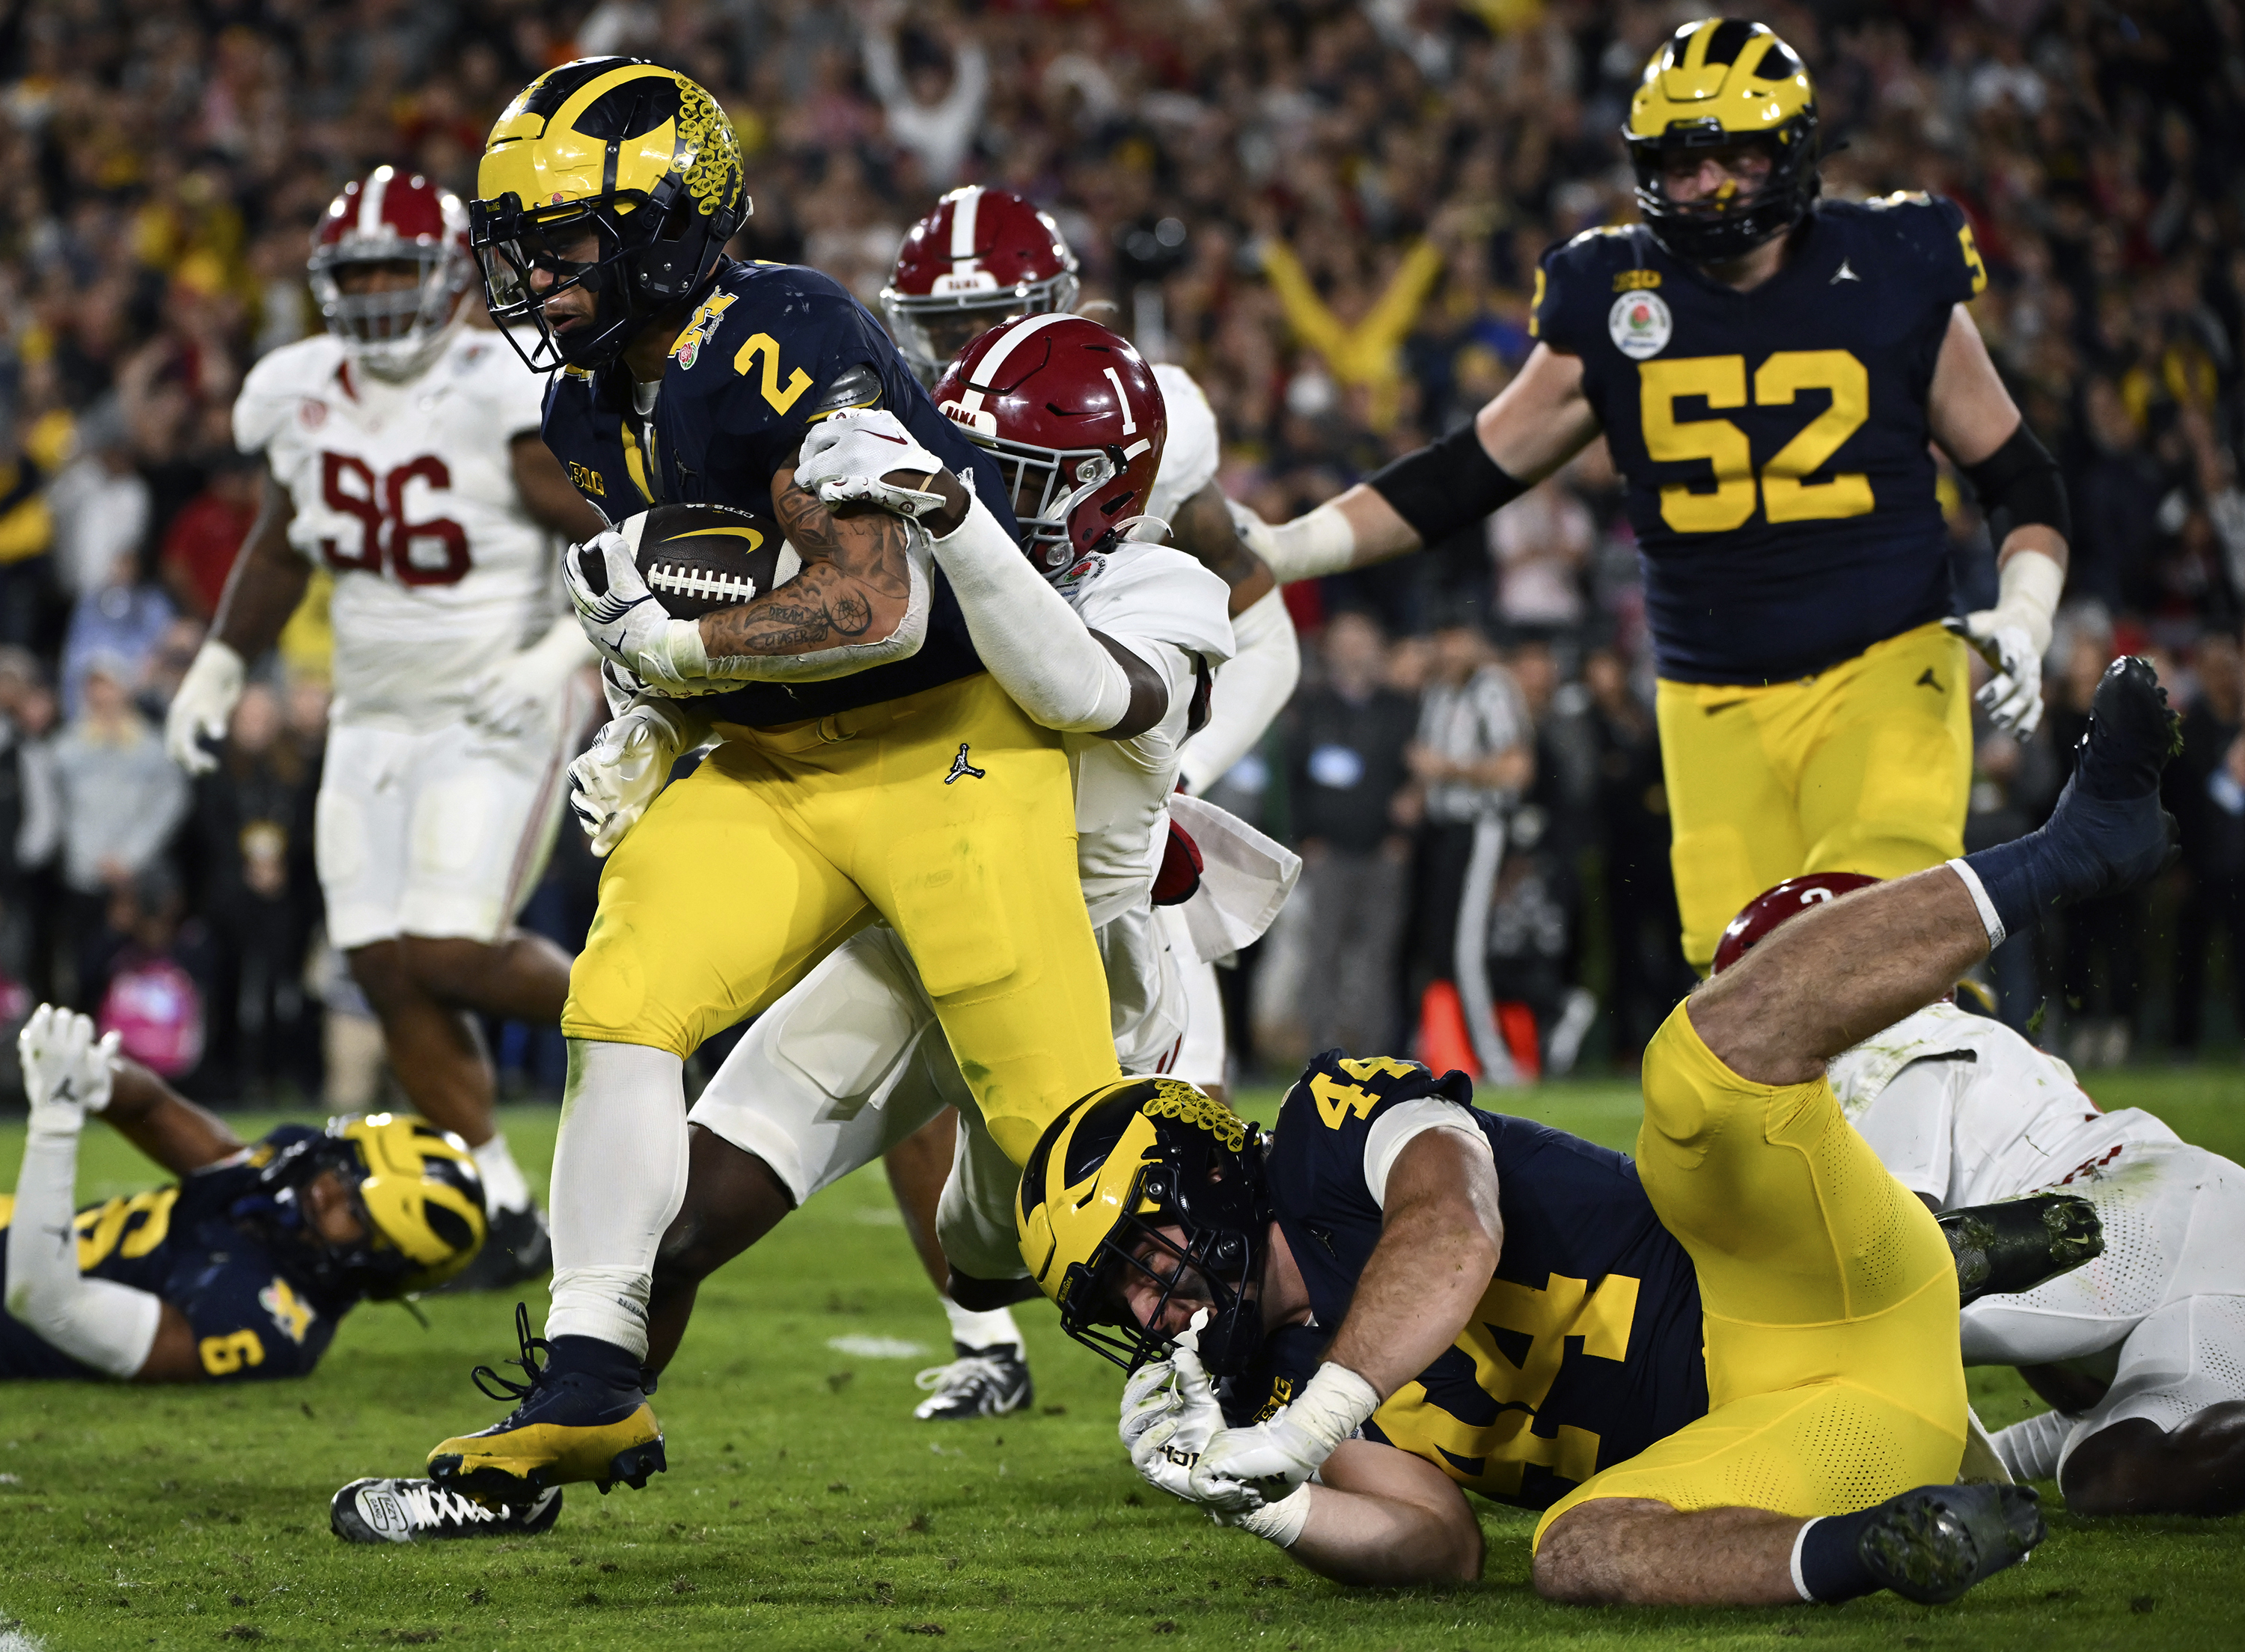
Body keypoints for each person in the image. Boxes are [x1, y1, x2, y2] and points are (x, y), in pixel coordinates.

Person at [1017, 655, 2181, 1605]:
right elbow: (1437, 1543)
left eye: (1139, 1262)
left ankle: (2072, 854)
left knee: (1692, 1071)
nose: (1141, 1312)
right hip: (1819, 1438)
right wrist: (1270, 1497)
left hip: (1775, 1285)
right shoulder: (1257, 1385)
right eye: (1108, 1308)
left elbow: (1454, 1226)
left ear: (1208, 1182)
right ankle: (1885, 1543)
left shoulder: (1329, 1132)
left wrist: (1316, 1417)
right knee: (1572, 1551)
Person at [424, 58, 1120, 1502]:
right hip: (779, 763)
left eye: (565, 242)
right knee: (621, 989)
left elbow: (880, 606)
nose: (535, 277)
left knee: (1068, 1151)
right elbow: (694, 612)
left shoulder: (782, 330)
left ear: (670, 222)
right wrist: (655, 714)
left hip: (953, 749)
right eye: (523, 246)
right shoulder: (584, 412)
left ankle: (1282, 1365)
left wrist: (676, 653)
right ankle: (593, 1378)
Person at [1236, 19, 2073, 973]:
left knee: (1873, 950)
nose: (1710, 186)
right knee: (1740, 985)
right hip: (1708, 694)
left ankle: (1992, 1105)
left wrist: (2029, 611)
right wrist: (1291, 548)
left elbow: (2017, 473)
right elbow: (1464, 473)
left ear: (1791, 155)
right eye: (1682, 164)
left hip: (1884, 665)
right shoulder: (1615, 291)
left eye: (1737, 159)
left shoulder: (1889, 263)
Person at [567, 316, 1250, 1438]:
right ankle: (567, 1433)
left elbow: (1074, 686)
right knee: (676, 1226)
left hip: (1070, 970)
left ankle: (1307, 1403)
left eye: (1018, 477)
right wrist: (655, 713)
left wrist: (957, 509)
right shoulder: (928, 535)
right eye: (965, 454)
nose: (988, 486)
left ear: (1101, 490)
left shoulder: (1164, 587)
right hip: (897, 944)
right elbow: (811, 660)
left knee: (1034, 1257)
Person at [870, 186, 1300, 1416]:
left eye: (994, 321)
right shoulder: (879, 426)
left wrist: (1185, 773)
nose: (961, 356)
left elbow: (1258, 619)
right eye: (940, 326)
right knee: (914, 1055)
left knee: (1181, 1102)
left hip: (1112, 810)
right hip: (950, 793)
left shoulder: (1136, 410)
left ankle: (1231, 1365)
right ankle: (982, 1333)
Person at [162, 166, 608, 1288]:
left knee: (448, 947)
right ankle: (505, 1208)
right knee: (378, 959)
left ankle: (667, 1008)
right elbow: (277, 543)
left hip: (497, 690)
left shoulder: (497, 386)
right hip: (372, 707)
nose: (370, 296)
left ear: (449, 278)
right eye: (353, 275)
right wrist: (221, 662)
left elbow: (613, 523)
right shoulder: (296, 387)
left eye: (391, 272)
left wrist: (566, 647)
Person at [1702, 877, 2245, 1517]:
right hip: (2193, 1215)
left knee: (1825, 1307)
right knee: (2111, 1475)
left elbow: (1899, 1261)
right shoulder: (1979, 1040)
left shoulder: (1884, 1043)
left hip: (2115, 1220)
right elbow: (2070, 1382)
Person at [3, 1003, 486, 1383]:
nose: (326, 1193)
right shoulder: (285, 1176)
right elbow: (150, 1107)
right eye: (343, 1169)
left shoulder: (265, 1325)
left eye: (355, 1212)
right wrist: (94, 1075)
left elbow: (49, 1302)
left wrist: (57, 1119)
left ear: (379, 1266)